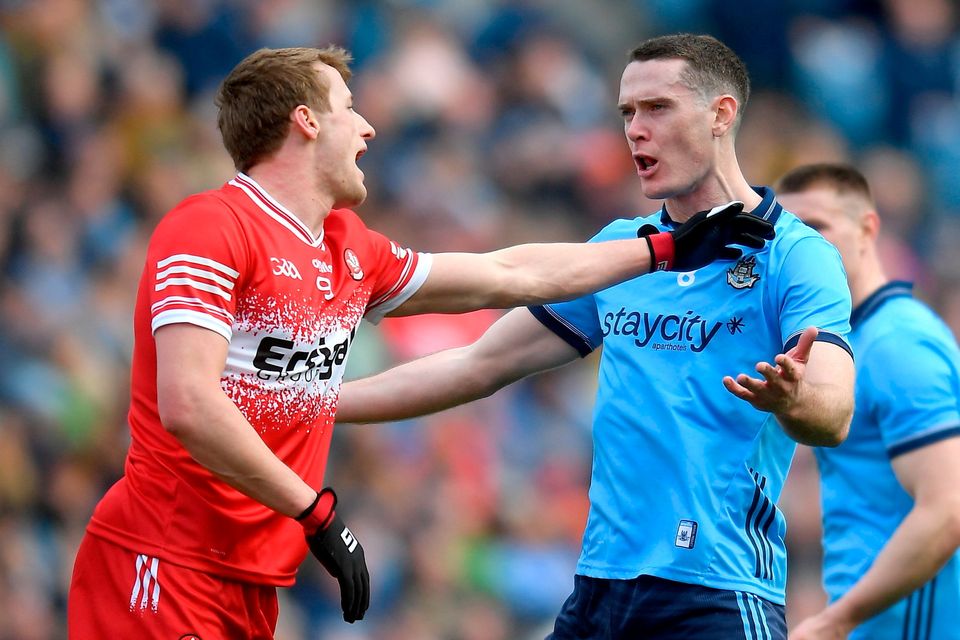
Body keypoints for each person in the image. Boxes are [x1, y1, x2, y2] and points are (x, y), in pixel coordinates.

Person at [65, 45, 773, 639]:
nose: (368, 128)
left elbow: (505, 273)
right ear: (307, 122)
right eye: (349, 108)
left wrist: (662, 251)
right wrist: (316, 512)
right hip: (161, 558)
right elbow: (189, 403)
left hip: (252, 577)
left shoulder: (346, 248)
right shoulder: (210, 227)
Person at [336, 34, 855, 640]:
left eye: (657, 108)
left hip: (717, 590)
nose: (635, 129)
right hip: (600, 590)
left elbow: (835, 409)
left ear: (721, 115)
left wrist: (795, 399)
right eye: (627, 113)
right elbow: (476, 364)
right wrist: (311, 405)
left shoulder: (795, 255)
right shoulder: (623, 250)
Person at [777, 164, 960, 640]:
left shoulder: (898, 343)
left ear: (868, 229)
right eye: (788, 231)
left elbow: (947, 509)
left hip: (915, 623)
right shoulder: (846, 345)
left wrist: (837, 620)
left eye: (817, 226)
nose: (801, 245)